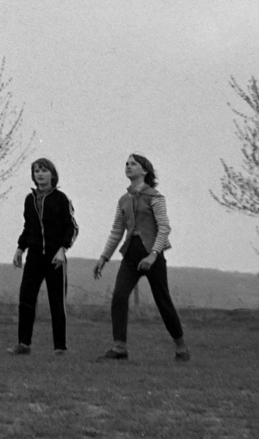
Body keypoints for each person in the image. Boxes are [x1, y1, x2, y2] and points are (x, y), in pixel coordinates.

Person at [93, 153, 190, 362]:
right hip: (130, 256)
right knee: (119, 297)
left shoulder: (155, 197)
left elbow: (164, 228)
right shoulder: (123, 200)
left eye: (133, 164)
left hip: (152, 256)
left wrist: (153, 255)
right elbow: (117, 231)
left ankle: (181, 348)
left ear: (145, 170)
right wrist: (104, 257)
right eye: (126, 164)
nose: (128, 166)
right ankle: (119, 348)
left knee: (163, 301)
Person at [12, 157, 76, 354]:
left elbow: (72, 228)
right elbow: (28, 227)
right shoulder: (29, 200)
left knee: (56, 302)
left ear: (52, 174)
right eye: (36, 171)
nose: (40, 174)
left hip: (55, 257)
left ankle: (60, 347)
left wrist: (62, 250)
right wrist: (20, 248)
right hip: (34, 257)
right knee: (26, 298)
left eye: (44, 170)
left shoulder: (61, 199)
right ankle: (24, 344)